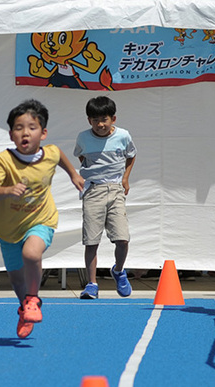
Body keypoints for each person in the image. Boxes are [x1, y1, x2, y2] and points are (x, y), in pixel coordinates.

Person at [0, 99, 84, 338]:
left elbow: (59, 157)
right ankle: (24, 307)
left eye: (32, 127)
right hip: (7, 229)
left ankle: (33, 300)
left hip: (41, 220)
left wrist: (73, 175)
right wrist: (6, 190)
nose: (25, 133)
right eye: (19, 128)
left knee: (31, 254)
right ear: (11, 134)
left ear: (43, 133)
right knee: (17, 281)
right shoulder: (2, 161)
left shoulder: (51, 153)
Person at [73, 96, 136, 300]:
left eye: (104, 119)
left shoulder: (123, 136)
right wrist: (92, 176)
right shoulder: (83, 138)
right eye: (95, 120)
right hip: (93, 191)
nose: (100, 124)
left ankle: (118, 270)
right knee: (91, 241)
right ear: (88, 120)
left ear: (113, 119)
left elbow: (131, 155)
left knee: (122, 239)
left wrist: (125, 178)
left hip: (116, 190)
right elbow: (81, 156)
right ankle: (92, 284)